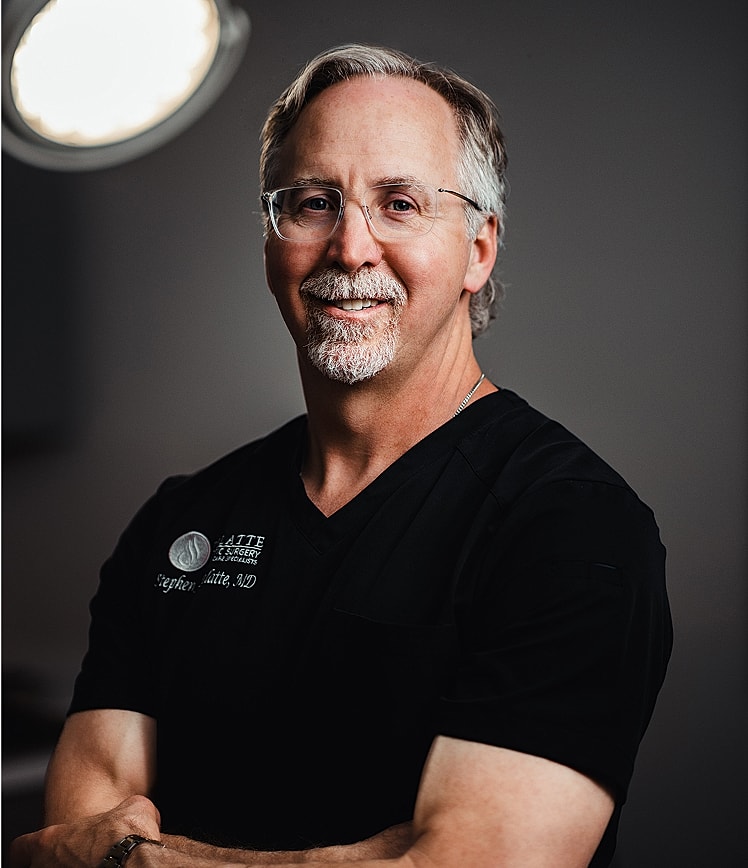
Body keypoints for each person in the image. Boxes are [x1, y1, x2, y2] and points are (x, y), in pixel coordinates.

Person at [11, 43, 672, 868]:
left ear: (479, 249)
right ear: (269, 241)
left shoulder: (571, 526)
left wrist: (143, 860)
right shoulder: (181, 521)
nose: (351, 248)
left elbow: (477, 863)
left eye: (400, 204)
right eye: (315, 202)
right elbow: (76, 825)